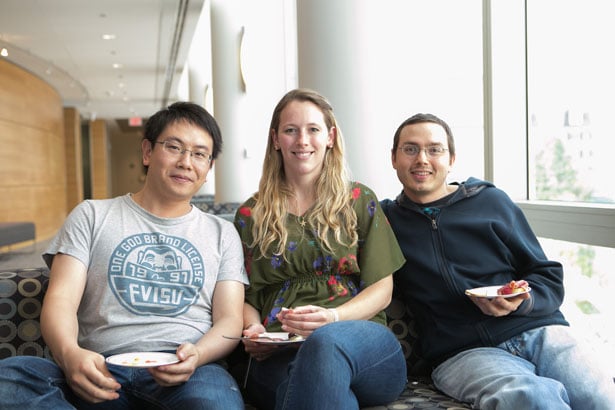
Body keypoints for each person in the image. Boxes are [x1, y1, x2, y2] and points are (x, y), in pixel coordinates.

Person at [0, 102, 248, 409]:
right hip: (101, 368)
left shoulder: (222, 233)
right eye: (174, 147)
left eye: (199, 154)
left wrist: (198, 355)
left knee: (216, 404)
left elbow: (229, 320)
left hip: (188, 372)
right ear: (147, 152)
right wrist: (70, 355)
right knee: (10, 379)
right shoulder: (92, 215)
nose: (186, 162)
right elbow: (61, 299)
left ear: (208, 168)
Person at [381, 112, 615, 409]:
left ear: (451, 159)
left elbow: (546, 274)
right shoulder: (385, 221)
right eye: (410, 149)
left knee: (600, 397)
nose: (422, 159)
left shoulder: (490, 202)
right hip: (463, 353)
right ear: (394, 158)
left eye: (435, 149)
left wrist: (523, 300)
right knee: (531, 397)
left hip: (540, 331)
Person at [233, 88, 407, 410]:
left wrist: (333, 317)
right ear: (275, 139)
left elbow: (382, 289)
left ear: (330, 137)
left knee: (325, 344)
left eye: (313, 129)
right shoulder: (249, 215)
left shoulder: (358, 200)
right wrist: (254, 330)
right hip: (280, 349)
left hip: (363, 342)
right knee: (315, 388)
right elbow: (244, 295)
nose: (302, 140)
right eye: (290, 130)